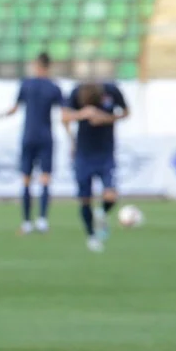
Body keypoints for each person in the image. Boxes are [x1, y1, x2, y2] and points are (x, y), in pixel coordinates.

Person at [0, 52, 64, 234]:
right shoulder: (54, 87)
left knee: (26, 179)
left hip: (28, 136)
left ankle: (27, 222)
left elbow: (14, 108)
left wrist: (2, 114)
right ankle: (42, 220)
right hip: (46, 137)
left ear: (36, 65)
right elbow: (65, 112)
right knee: (45, 179)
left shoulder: (26, 84)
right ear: (49, 66)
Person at [62, 80, 129, 252]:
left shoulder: (112, 91)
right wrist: (81, 115)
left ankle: (101, 214)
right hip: (83, 154)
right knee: (85, 198)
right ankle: (91, 236)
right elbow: (64, 117)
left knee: (110, 195)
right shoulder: (76, 92)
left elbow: (126, 113)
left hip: (105, 152)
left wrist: (106, 118)